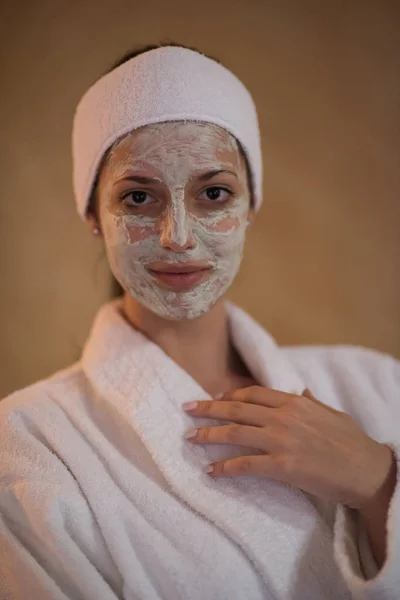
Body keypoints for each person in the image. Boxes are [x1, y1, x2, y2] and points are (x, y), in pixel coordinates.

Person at [0, 42, 399, 600]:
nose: (179, 236)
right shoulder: (29, 443)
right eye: (138, 197)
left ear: (250, 205)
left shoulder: (377, 385)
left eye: (214, 193)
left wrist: (380, 482)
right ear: (93, 215)